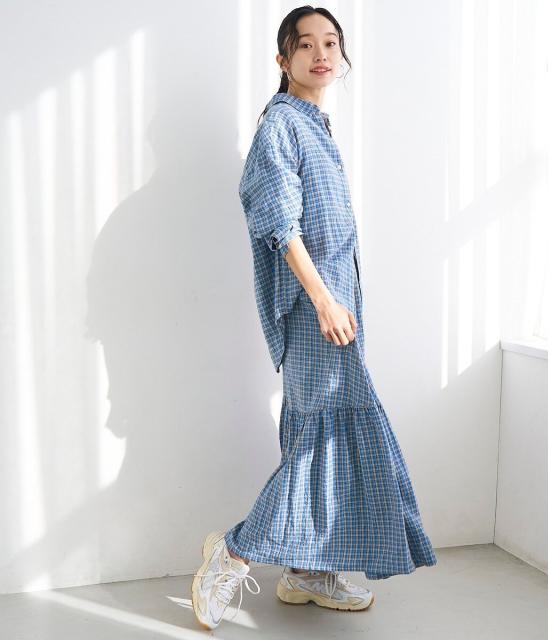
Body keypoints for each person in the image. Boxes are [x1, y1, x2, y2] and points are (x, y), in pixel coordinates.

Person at [191, 6, 437, 631]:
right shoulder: (281, 126)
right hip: (314, 312)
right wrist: (324, 300)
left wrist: (338, 301)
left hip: (335, 312)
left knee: (314, 435)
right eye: (306, 45)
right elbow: (281, 225)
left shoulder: (315, 125)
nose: (321, 54)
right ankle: (233, 552)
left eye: (331, 43)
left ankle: (306, 570)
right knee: (319, 443)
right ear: (283, 59)